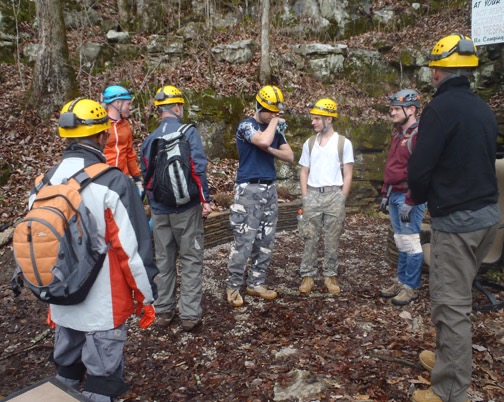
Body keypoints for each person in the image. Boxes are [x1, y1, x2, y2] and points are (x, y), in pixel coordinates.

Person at [408, 34, 500, 402]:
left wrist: (422, 197)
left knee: (451, 305)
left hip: (458, 223)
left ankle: (450, 389)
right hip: (488, 220)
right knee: (455, 297)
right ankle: (449, 360)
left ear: (436, 71)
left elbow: (419, 169)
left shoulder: (440, 110)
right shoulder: (482, 108)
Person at [48, 98, 158, 402]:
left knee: (66, 372)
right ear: (103, 136)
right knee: (102, 380)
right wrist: (146, 298)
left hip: (60, 298)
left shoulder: (44, 182)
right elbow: (132, 251)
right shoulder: (112, 183)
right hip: (103, 304)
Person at [140, 85, 212, 331]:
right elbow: (197, 168)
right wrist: (205, 200)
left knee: (163, 260)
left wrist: (154, 201)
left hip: (160, 211)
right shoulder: (188, 132)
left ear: (160, 110)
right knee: (191, 259)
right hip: (187, 208)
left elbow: (145, 175)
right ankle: (190, 315)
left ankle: (163, 311)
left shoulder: (151, 138)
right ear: (178, 106)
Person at [226, 85, 294, 307]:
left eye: (276, 112)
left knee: (266, 239)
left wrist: (271, 150)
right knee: (243, 240)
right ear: (259, 107)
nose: (273, 116)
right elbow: (262, 140)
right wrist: (274, 123)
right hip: (248, 190)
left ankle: (256, 283)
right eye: (269, 112)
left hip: (269, 188)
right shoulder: (247, 126)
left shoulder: (273, 130)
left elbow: (289, 155)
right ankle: (233, 287)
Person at [297, 98, 354, 295]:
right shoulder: (309, 143)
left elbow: (348, 172)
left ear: (328, 119)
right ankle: (308, 276)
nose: (313, 122)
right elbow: (304, 170)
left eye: (316, 119)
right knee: (309, 237)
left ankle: (330, 275)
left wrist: (342, 197)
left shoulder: (343, 143)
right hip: (313, 194)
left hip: (333, 195)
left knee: (332, 238)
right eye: (313, 118)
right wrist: (305, 196)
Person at [379, 89, 426, 305]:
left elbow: (422, 171)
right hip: (395, 194)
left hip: (409, 197)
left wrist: (411, 199)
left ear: (411, 110)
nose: (392, 112)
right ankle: (401, 280)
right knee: (400, 240)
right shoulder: (398, 134)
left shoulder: (419, 135)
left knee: (410, 240)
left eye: (396, 109)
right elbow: (392, 166)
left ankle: (411, 286)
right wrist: (384, 193)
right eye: (392, 108)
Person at [102, 85, 144, 196]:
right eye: (128, 104)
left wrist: (137, 180)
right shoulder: (100, 125)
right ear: (117, 103)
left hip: (122, 179)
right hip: (102, 180)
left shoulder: (125, 126)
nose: (130, 108)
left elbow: (130, 154)